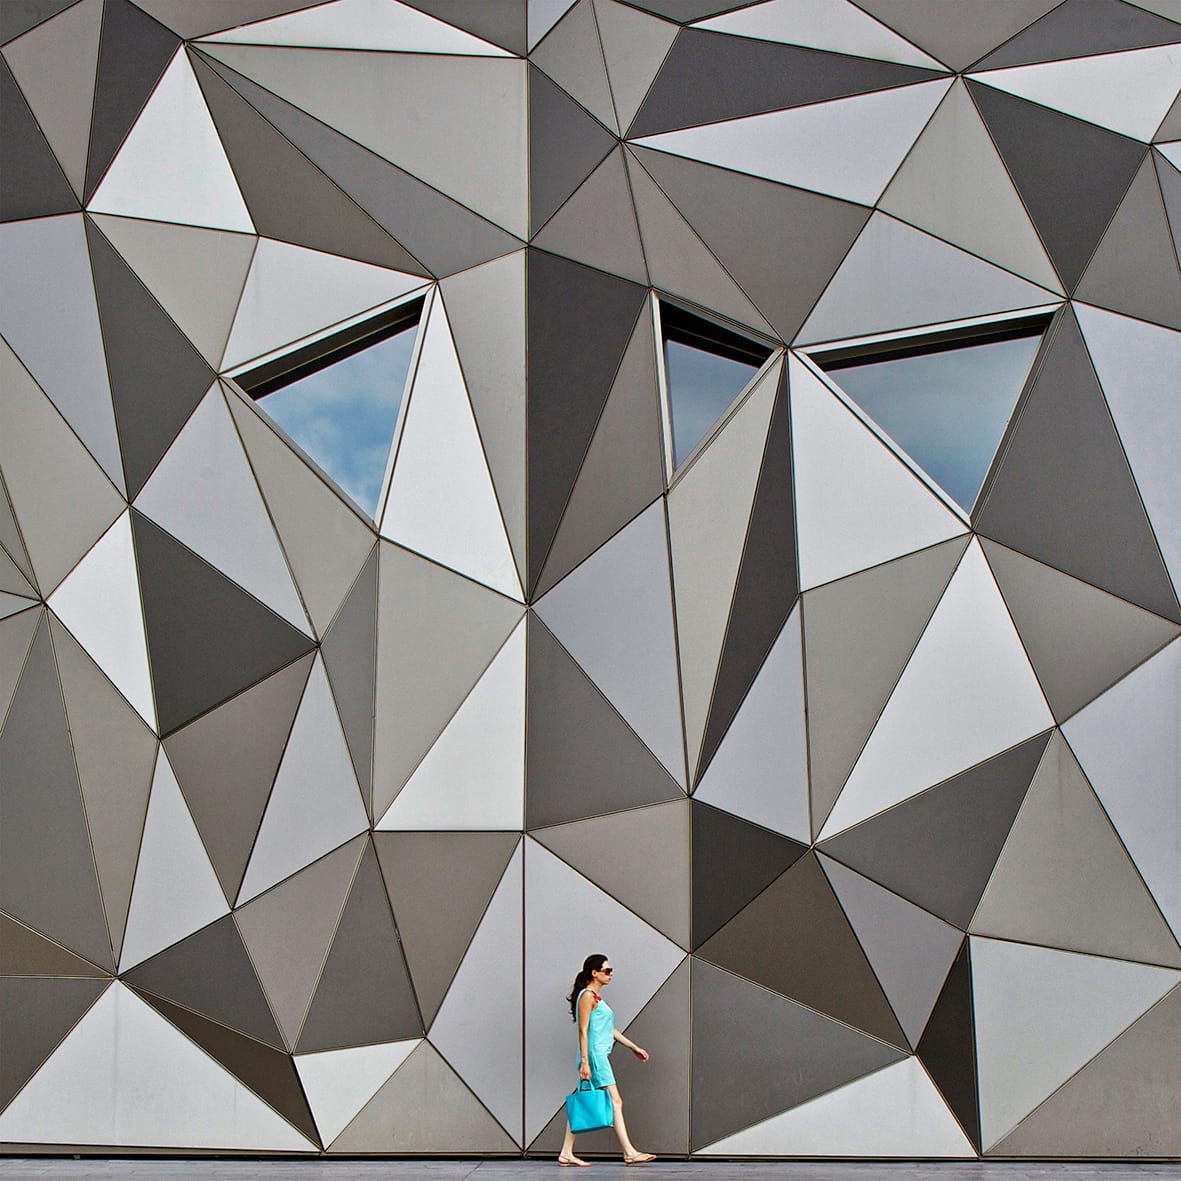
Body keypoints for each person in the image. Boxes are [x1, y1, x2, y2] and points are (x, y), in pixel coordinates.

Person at [558, 954, 657, 1167]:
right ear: (595, 973)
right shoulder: (587, 996)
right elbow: (583, 1031)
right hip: (594, 1056)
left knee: (582, 1099)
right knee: (615, 1101)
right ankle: (629, 1152)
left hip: (597, 1055)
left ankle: (566, 1152)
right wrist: (585, 1061)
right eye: (607, 971)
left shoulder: (596, 998)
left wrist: (633, 1047)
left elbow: (608, 1029)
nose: (611, 974)